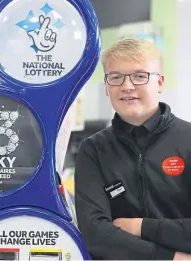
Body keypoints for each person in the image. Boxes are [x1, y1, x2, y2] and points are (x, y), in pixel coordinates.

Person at [75, 38, 191, 260]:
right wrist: (170, 257)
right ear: (107, 87)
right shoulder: (93, 150)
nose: (127, 86)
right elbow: (95, 234)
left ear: (160, 83)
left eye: (139, 76)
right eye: (116, 77)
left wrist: (141, 227)